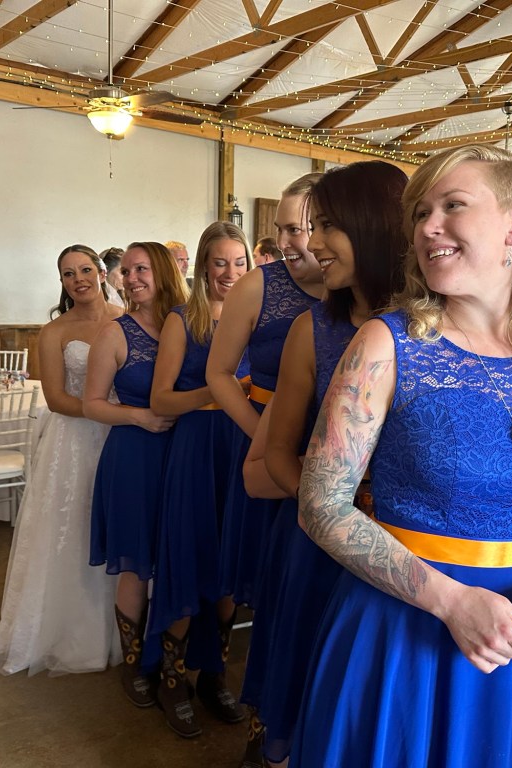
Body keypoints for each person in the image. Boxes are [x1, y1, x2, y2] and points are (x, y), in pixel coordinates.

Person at [292, 144, 512, 767]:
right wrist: (452, 602)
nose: (429, 227)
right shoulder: (386, 344)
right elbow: (321, 506)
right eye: (421, 213)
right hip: (401, 632)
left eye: (453, 205)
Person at [248, 161, 408, 767]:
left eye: (329, 226)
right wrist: (334, 508)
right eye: (312, 227)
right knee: (310, 697)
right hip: (321, 549)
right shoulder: (311, 330)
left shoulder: (433, 329)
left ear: (375, 226)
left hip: (415, 544)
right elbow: (277, 452)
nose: (312, 243)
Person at [205, 172, 324, 762]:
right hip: (264, 440)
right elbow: (218, 374)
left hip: (329, 457)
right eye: (281, 229)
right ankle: (223, 683)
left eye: (299, 228)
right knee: (250, 579)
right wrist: (266, 440)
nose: (289, 241)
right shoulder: (260, 286)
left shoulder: (355, 292)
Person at [0, 244, 122, 676]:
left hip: (125, 439)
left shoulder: (127, 319)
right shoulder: (54, 332)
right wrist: (109, 412)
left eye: (85, 269)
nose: (78, 279)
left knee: (119, 526)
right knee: (74, 528)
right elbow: (57, 398)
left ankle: (128, 627)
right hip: (76, 440)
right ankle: (74, 632)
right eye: (68, 274)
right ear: (62, 282)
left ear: (101, 272)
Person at [146, 222, 253, 737]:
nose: (230, 273)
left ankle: (214, 675)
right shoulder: (182, 320)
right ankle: (172, 680)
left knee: (229, 563)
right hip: (196, 449)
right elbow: (160, 399)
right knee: (188, 559)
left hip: (241, 447)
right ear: (203, 268)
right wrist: (215, 391)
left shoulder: (256, 318)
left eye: (239, 263)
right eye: (220, 262)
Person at [84, 242, 187, 709]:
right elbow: (92, 404)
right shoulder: (114, 333)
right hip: (134, 457)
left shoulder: (188, 323)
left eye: (141, 269)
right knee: (136, 564)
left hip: (184, 454)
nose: (131, 279)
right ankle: (134, 664)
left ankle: (172, 664)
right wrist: (140, 417)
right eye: (125, 271)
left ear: (163, 272)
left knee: (178, 558)